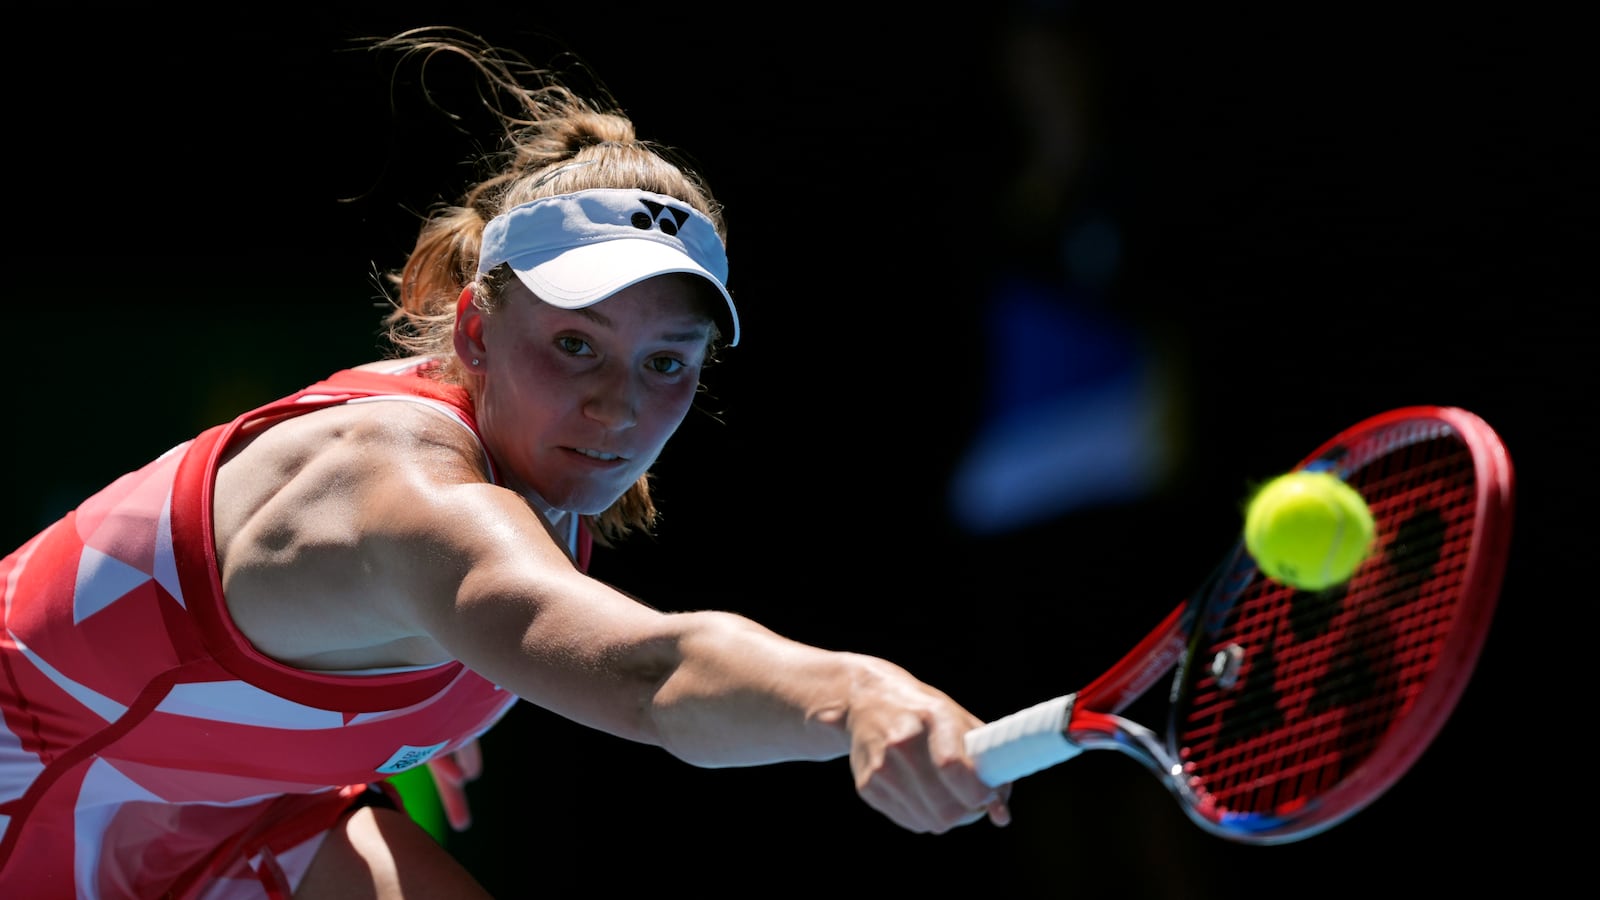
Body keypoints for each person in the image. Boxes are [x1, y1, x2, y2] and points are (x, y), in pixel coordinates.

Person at [0, 26, 1009, 900]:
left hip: (213, 805)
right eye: (576, 343)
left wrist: (390, 701)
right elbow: (650, 678)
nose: (617, 402)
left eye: (665, 362)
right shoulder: (402, 484)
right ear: (477, 329)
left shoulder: (520, 461)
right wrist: (857, 694)